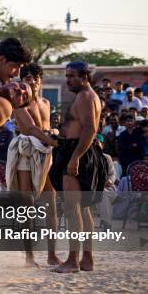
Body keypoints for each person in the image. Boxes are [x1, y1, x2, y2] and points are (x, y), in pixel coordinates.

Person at [48, 61, 107, 273]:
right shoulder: (87, 96)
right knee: (82, 208)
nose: (67, 80)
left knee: (72, 208)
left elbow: (90, 129)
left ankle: (73, 260)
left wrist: (75, 158)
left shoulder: (85, 97)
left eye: (71, 76)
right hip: (75, 150)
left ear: (84, 76)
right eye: (66, 75)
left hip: (78, 153)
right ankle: (87, 259)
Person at [5, 63, 60, 266]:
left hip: (46, 153)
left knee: (51, 205)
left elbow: (46, 127)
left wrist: (54, 136)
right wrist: (55, 141)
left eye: (33, 78)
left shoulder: (45, 102)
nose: (29, 81)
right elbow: (30, 128)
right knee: (26, 206)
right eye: (25, 78)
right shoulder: (19, 103)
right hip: (26, 154)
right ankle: (29, 256)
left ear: (40, 81)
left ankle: (52, 254)